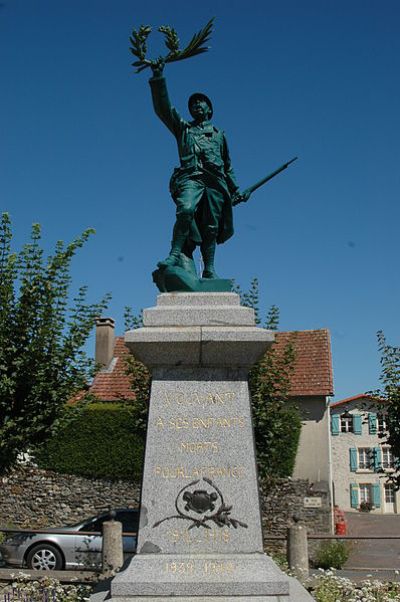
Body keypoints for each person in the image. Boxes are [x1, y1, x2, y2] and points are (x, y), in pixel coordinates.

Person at [149, 59, 249, 279]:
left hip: (216, 182)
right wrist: (158, 78)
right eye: (193, 103)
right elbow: (164, 109)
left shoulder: (219, 135)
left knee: (211, 227)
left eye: (201, 102)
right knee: (185, 209)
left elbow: (227, 165)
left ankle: (210, 269)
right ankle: (175, 253)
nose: (196, 105)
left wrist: (237, 189)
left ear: (209, 109)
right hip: (191, 177)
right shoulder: (184, 130)